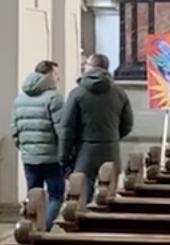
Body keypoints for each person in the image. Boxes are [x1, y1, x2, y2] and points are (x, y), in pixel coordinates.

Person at [58, 53, 135, 193]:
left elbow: (67, 128)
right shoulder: (119, 93)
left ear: (91, 67)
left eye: (86, 64)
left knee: (82, 196)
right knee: (109, 195)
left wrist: (64, 159)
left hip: (85, 150)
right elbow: (127, 124)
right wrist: (111, 135)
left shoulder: (77, 93)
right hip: (111, 149)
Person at [11, 61, 67, 225]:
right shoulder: (54, 98)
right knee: (56, 195)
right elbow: (61, 129)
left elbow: (14, 128)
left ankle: (30, 227)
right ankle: (43, 228)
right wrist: (65, 153)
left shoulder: (20, 99)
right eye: (56, 74)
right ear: (48, 75)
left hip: (29, 156)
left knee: (33, 195)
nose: (58, 77)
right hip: (51, 157)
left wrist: (24, 148)